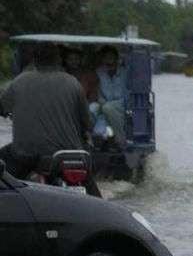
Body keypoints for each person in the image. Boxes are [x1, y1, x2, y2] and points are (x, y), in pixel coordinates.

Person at [0, 43, 91, 184]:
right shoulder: (73, 83)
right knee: (90, 189)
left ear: (34, 60)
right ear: (59, 60)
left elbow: (3, 107)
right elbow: (86, 122)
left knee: (6, 183)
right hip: (68, 153)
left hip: (25, 154)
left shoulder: (19, 81)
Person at [95, 45, 128, 144]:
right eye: (106, 57)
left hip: (123, 103)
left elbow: (128, 93)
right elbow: (98, 92)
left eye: (111, 56)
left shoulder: (124, 72)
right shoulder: (99, 72)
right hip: (105, 102)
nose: (108, 59)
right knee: (93, 108)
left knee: (107, 108)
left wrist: (108, 104)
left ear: (116, 58)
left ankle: (121, 139)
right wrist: (101, 101)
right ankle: (95, 139)